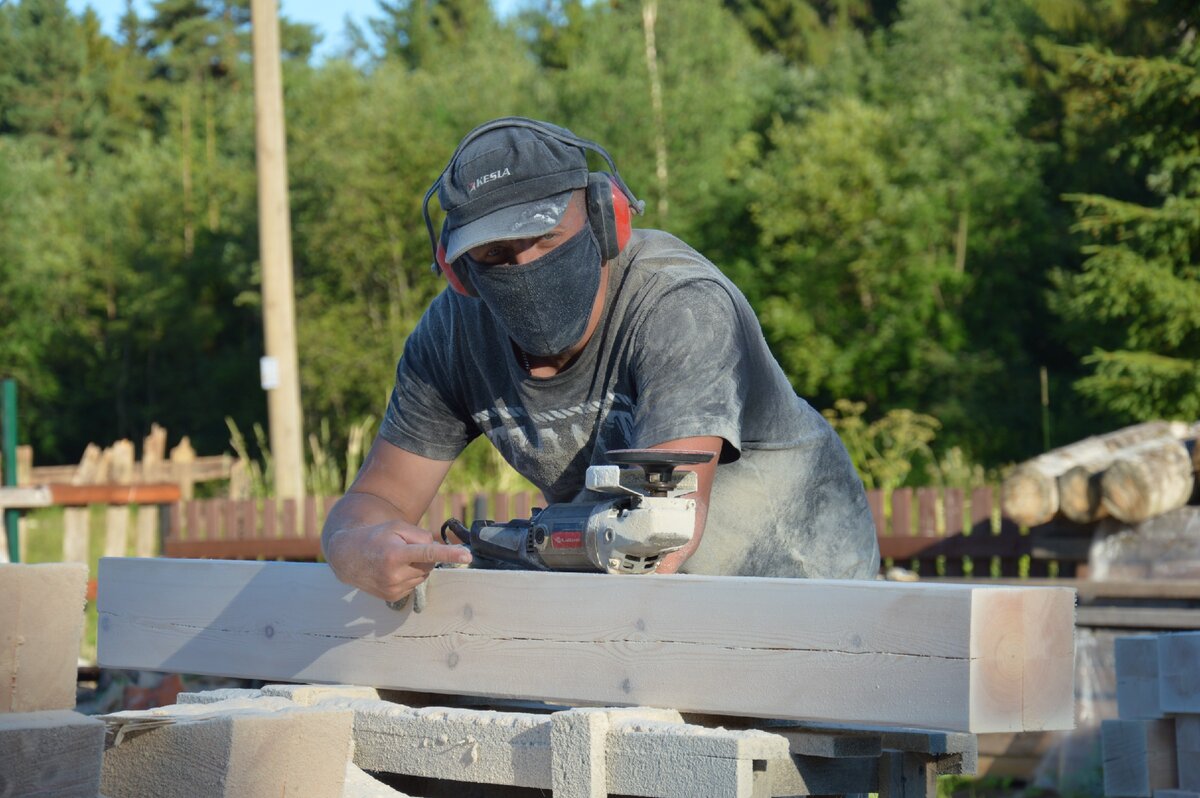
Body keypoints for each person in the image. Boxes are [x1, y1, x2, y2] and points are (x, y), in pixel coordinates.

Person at [321, 117, 879, 603]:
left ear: (604, 219)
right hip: (645, 605)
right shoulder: (450, 337)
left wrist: (511, 549)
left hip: (810, 583)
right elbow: (378, 497)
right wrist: (356, 548)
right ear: (458, 269)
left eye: (546, 238)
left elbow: (656, 527)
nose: (525, 267)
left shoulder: (679, 304)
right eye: (495, 254)